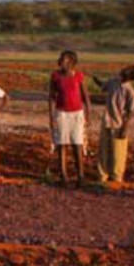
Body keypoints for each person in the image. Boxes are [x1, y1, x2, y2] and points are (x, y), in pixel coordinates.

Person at [45, 51, 88, 185]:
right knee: (62, 144)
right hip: (61, 113)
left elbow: (85, 96)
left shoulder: (79, 76)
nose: (60, 61)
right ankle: (63, 175)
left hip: (77, 113)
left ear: (70, 61)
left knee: (77, 144)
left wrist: (88, 115)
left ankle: (80, 175)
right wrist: (51, 117)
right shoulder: (55, 76)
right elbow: (51, 97)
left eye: (63, 59)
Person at [98, 66, 134, 184]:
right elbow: (103, 86)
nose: (122, 70)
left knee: (118, 152)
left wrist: (125, 128)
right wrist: (97, 80)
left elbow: (130, 112)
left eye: (127, 70)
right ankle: (103, 175)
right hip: (107, 120)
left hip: (119, 123)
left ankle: (116, 176)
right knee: (104, 149)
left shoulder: (130, 91)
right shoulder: (113, 81)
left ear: (130, 76)